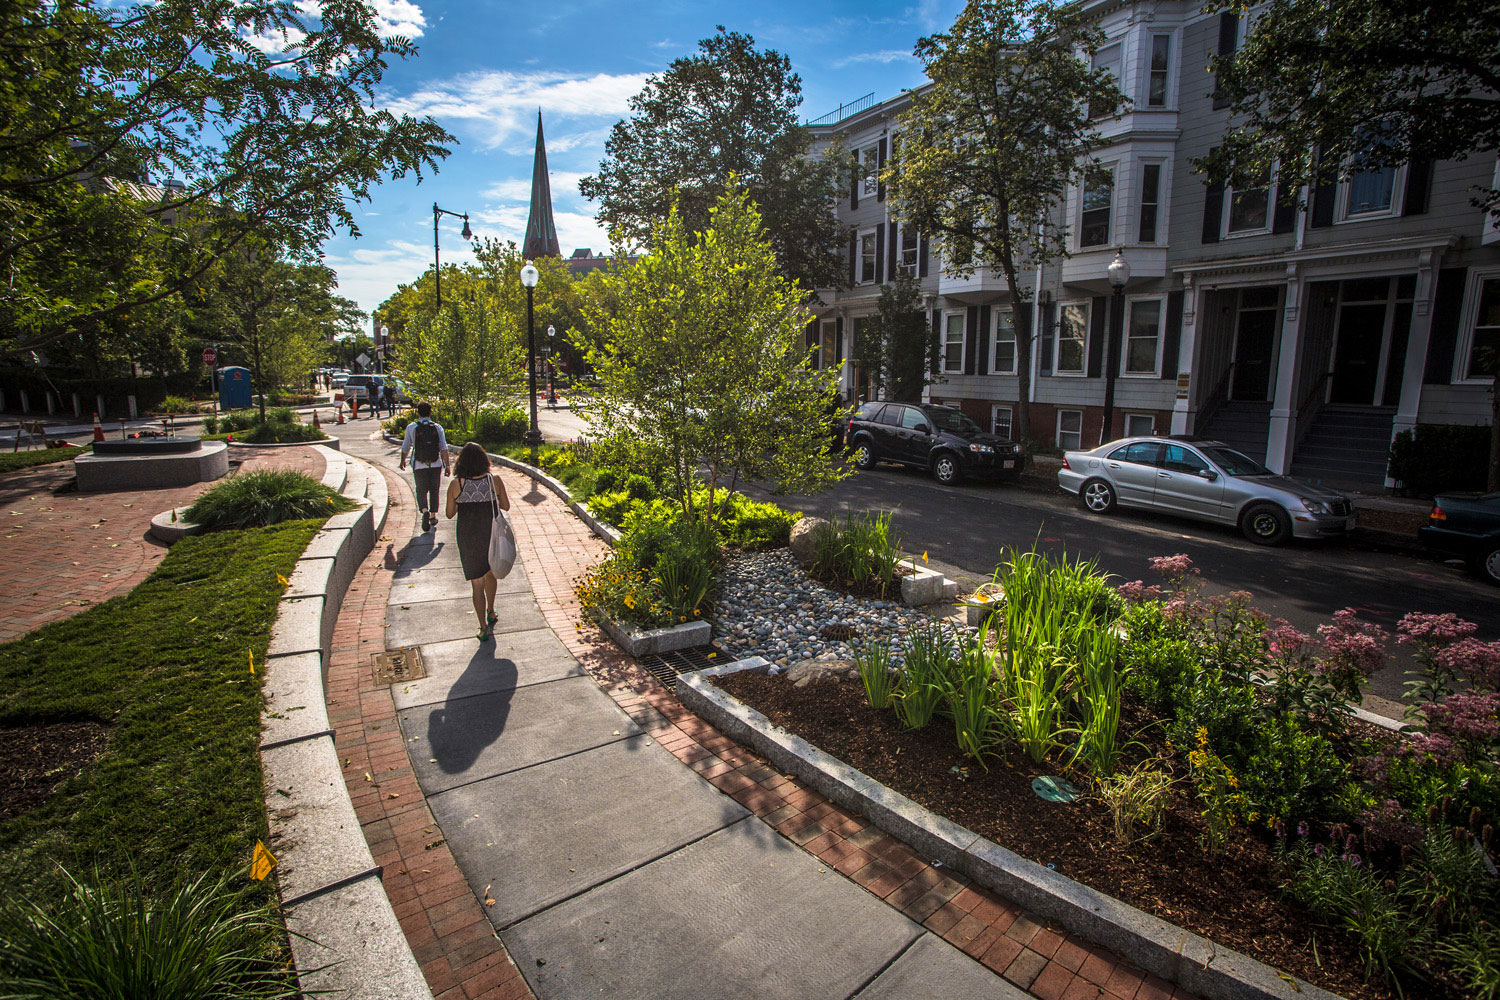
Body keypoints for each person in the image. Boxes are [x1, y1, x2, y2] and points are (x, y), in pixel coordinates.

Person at [445, 441, 510, 640]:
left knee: (477, 583)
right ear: (484, 460)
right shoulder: (494, 480)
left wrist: (462, 501)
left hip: (468, 536)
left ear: (461, 462)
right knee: (491, 574)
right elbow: (506, 506)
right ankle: (491, 610)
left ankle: (482, 627)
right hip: (490, 533)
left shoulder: (457, 484)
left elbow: (449, 514)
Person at [399, 402, 451, 532]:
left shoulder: (412, 427)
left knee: (421, 489)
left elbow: (406, 446)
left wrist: (403, 461)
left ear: (418, 413)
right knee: (434, 489)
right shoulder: (437, 427)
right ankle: (433, 515)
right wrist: (448, 465)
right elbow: (443, 447)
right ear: (431, 412)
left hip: (419, 464)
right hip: (435, 464)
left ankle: (424, 510)